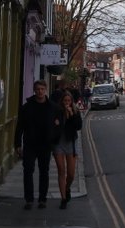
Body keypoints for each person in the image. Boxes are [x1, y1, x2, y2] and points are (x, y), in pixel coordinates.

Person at [14, 79, 59, 210]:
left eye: (42, 89)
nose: (40, 92)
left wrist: (54, 139)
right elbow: (19, 127)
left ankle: (42, 199)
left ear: (46, 90)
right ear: (34, 90)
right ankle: (29, 199)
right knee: (28, 171)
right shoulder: (27, 107)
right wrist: (17, 144)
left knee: (44, 172)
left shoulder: (53, 107)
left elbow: (58, 125)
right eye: (37, 89)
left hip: (45, 145)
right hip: (30, 144)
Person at [53, 91, 83, 209]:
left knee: (71, 174)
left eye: (69, 101)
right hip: (58, 144)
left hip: (70, 143)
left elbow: (78, 127)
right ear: (62, 102)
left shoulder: (75, 112)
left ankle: (67, 188)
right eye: (65, 101)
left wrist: (72, 115)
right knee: (61, 170)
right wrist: (57, 122)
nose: (67, 103)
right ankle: (63, 198)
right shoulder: (57, 111)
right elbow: (53, 125)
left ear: (72, 102)